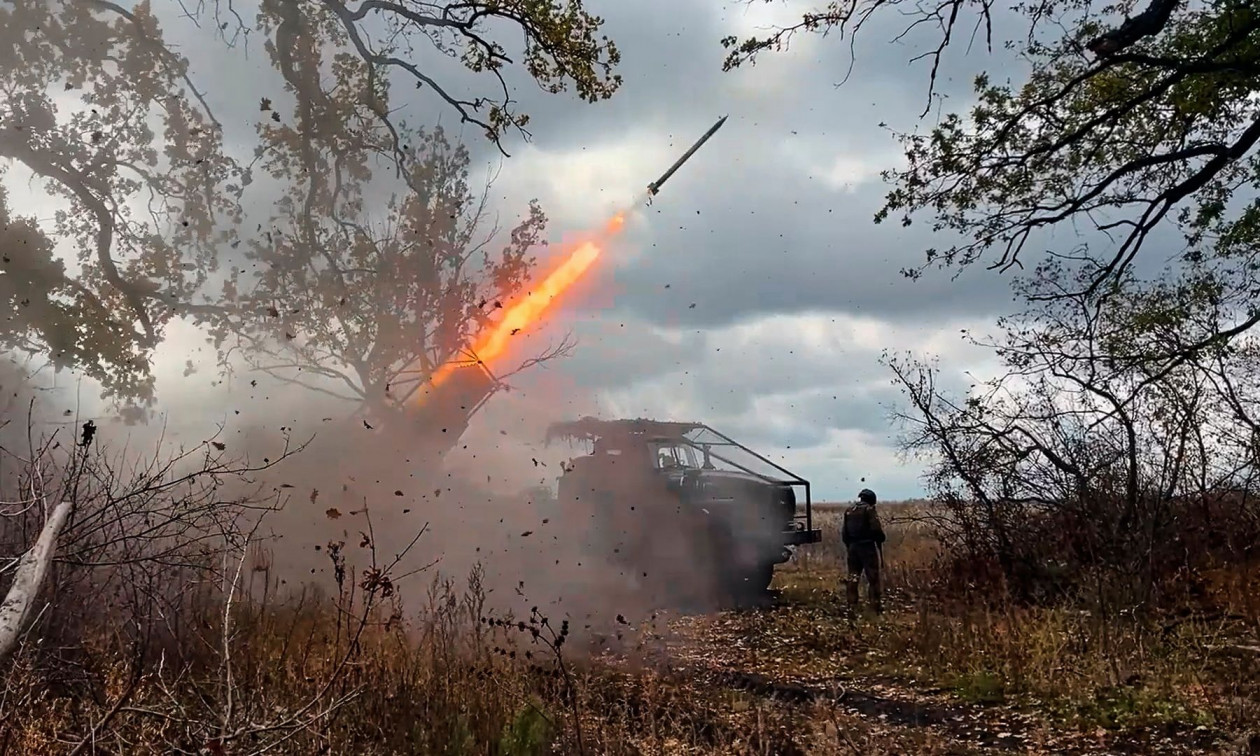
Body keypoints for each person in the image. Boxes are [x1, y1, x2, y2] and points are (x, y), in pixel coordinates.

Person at [841, 488, 886, 613]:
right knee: (873, 578)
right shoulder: (869, 510)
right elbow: (876, 529)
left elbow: (844, 533)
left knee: (853, 577)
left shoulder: (849, 510)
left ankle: (851, 605)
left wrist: (850, 547)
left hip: (853, 548)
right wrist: (881, 538)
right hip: (867, 548)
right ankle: (875, 606)